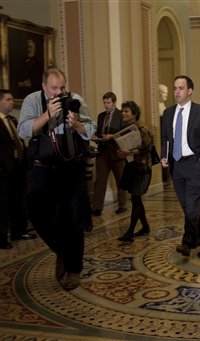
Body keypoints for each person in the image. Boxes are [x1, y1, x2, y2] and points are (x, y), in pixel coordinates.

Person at [17, 67, 96, 290]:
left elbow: (91, 129)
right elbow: (23, 131)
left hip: (71, 167)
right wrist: (46, 115)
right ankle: (62, 250)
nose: (59, 92)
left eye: (62, 87)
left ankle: (73, 269)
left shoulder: (75, 100)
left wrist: (78, 125)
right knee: (35, 211)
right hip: (43, 168)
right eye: (54, 88)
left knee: (73, 218)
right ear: (44, 87)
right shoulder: (32, 101)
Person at [161, 75, 200, 256]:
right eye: (175, 88)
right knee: (187, 206)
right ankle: (199, 235)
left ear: (189, 90)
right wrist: (164, 156)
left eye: (181, 88)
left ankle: (187, 241)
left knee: (192, 205)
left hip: (194, 163)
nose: (177, 92)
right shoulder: (168, 113)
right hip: (177, 166)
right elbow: (165, 138)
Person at [0, 89, 36, 249]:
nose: (11, 102)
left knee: (18, 202)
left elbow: (20, 141)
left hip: (19, 168)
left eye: (12, 99)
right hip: (3, 171)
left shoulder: (13, 120)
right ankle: (1, 239)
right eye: (8, 99)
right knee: (2, 205)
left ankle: (19, 231)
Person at [116, 101, 153, 242]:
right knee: (136, 198)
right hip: (132, 166)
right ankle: (145, 227)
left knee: (136, 198)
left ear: (134, 114)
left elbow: (147, 148)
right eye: (123, 111)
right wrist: (122, 153)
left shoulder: (142, 129)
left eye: (127, 111)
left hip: (142, 168)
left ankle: (130, 231)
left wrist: (130, 151)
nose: (123, 113)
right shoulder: (126, 128)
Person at [91, 92, 128, 216]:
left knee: (121, 180)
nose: (106, 106)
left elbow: (124, 133)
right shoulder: (101, 116)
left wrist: (112, 137)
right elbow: (99, 131)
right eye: (104, 103)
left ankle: (122, 205)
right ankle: (97, 207)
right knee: (100, 180)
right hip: (102, 152)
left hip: (117, 152)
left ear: (114, 103)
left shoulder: (121, 115)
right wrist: (96, 136)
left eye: (108, 103)